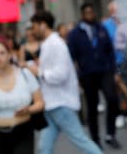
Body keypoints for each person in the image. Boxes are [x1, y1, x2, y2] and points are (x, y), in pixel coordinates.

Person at [28, 11, 102, 154]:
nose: (33, 30)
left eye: (35, 26)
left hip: (60, 103)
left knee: (80, 140)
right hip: (53, 103)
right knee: (44, 147)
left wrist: (39, 72)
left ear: (43, 25)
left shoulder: (56, 44)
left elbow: (61, 74)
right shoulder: (50, 43)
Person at [0, 38, 44, 154]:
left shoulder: (25, 75)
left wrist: (28, 109)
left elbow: (40, 103)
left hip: (23, 131)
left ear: (10, 55)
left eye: (2, 53)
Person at [67, 3, 121, 149]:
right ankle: (95, 139)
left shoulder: (100, 28)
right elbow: (72, 56)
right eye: (87, 13)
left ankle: (111, 134)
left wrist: (114, 70)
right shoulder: (75, 34)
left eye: (92, 12)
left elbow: (110, 50)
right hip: (87, 74)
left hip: (105, 71)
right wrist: (77, 76)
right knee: (92, 107)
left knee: (112, 99)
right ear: (82, 14)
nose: (90, 15)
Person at [103, 1, 127, 129]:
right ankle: (119, 114)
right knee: (117, 89)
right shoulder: (106, 25)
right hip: (114, 62)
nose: (115, 12)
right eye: (113, 10)